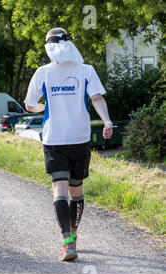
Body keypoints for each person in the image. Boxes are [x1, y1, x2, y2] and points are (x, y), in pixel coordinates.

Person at [24, 28, 113, 261]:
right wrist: (107, 121)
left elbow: (29, 104)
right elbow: (97, 98)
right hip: (76, 140)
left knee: (63, 191)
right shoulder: (86, 70)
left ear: (48, 47)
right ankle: (71, 237)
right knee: (74, 190)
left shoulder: (43, 73)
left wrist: (43, 107)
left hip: (57, 139)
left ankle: (67, 242)